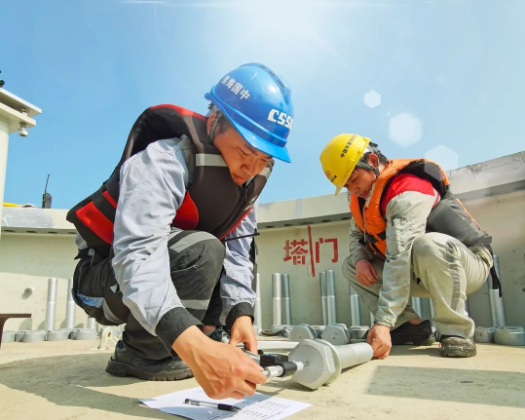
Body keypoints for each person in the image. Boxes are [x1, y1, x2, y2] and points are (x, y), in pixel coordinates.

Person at [66, 63, 294, 399]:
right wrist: (195, 349)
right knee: (204, 249)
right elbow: (137, 257)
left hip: (167, 268)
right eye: (246, 152)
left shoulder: (248, 184)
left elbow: (238, 251)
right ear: (215, 119)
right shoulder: (163, 161)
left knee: (219, 252)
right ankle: (141, 353)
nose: (251, 168)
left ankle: (198, 336)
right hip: (104, 281)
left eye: (264, 159)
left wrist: (240, 315)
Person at [319, 134, 497, 359]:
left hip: (467, 264)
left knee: (428, 244)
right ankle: (408, 327)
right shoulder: (364, 196)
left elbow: (399, 255)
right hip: (419, 270)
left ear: (372, 161)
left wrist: (382, 322)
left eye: (354, 179)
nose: (352, 189)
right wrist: (361, 259)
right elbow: (357, 234)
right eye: (346, 186)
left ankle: (456, 333)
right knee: (352, 266)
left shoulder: (406, 191)